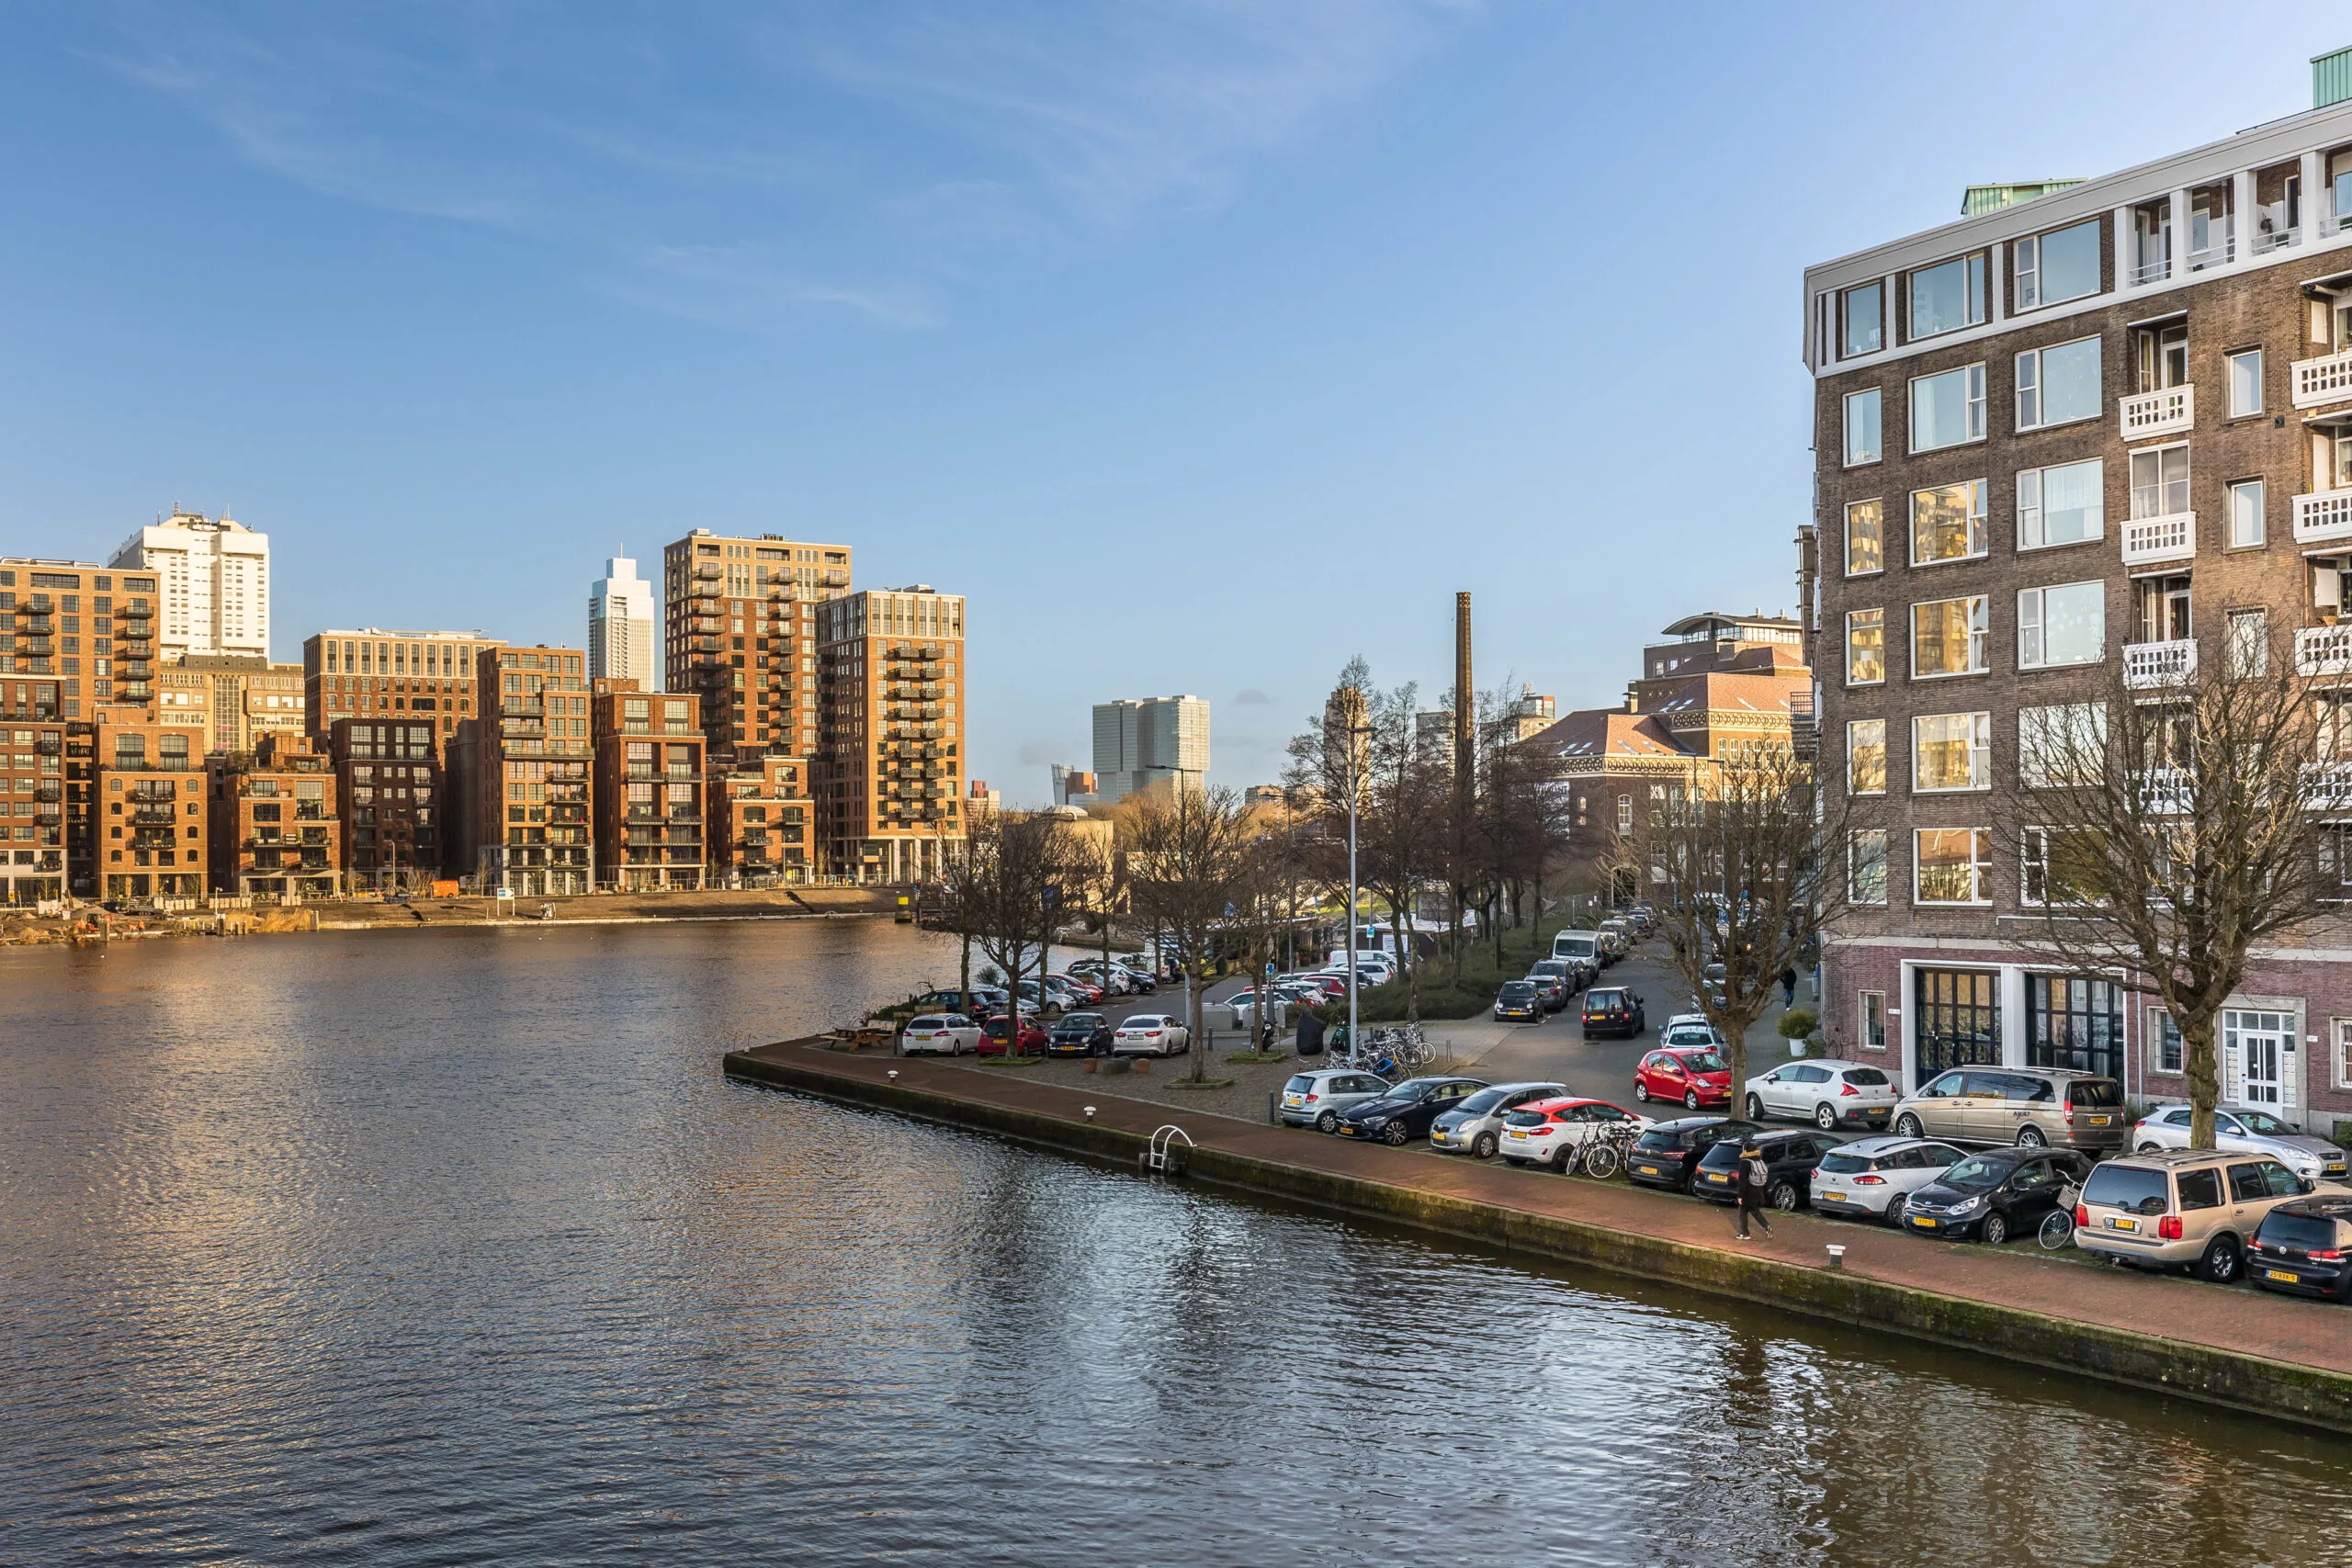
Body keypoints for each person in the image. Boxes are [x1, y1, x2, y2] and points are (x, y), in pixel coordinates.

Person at [1735, 1137, 1772, 1241]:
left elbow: (1743, 1180)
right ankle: (1767, 1226)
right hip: (1758, 1190)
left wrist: (1740, 1196)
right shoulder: (1759, 1161)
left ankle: (1745, 1233)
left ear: (1745, 1150)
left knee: (1742, 1210)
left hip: (1748, 1191)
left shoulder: (1745, 1162)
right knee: (1754, 1210)